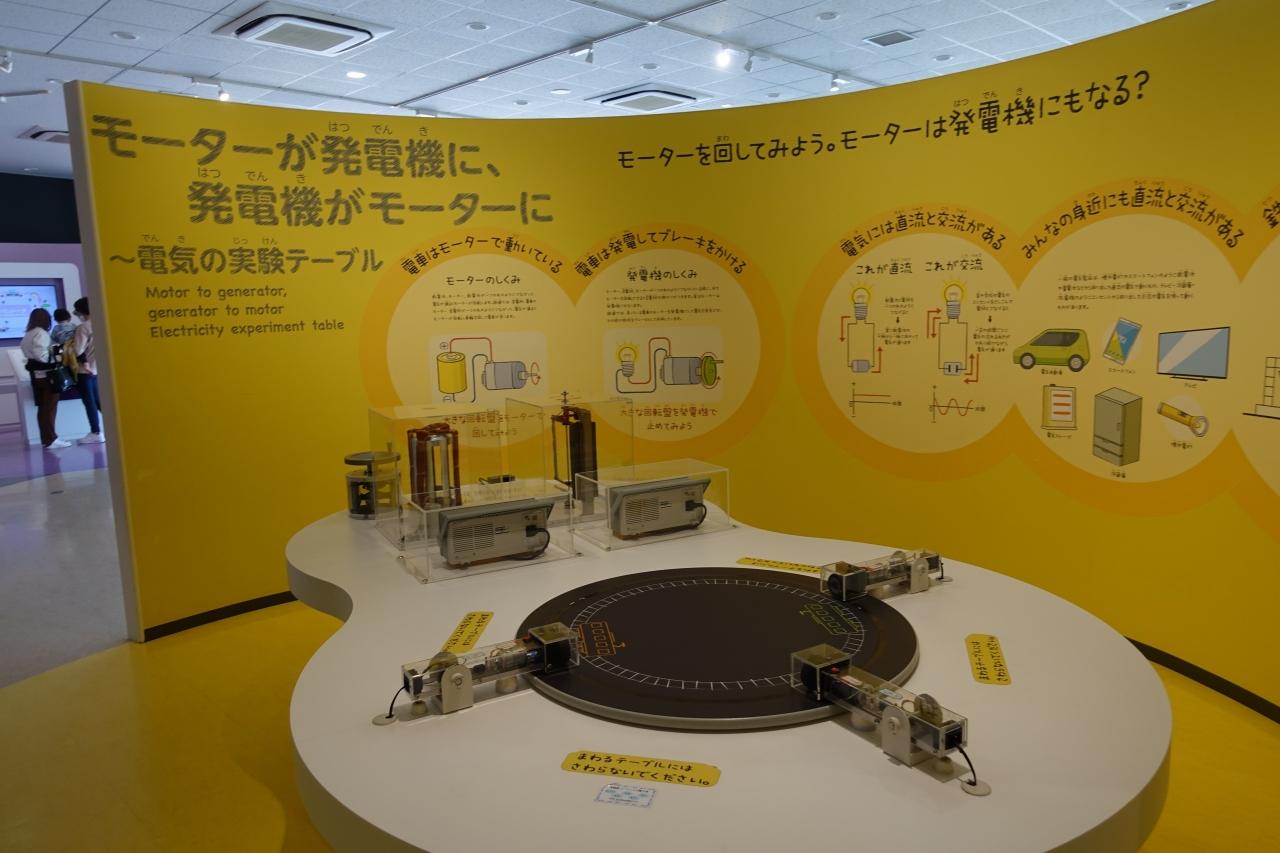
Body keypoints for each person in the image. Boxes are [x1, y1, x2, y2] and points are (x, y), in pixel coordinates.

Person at [19, 307, 70, 449]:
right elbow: (40, 354)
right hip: (47, 375)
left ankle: (46, 438)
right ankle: (51, 439)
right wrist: (54, 361)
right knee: (50, 407)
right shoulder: (41, 333)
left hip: (36, 375)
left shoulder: (28, 334)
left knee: (43, 407)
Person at [72, 297, 105, 444]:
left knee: (89, 402)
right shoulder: (102, 323)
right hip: (97, 369)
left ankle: (95, 431)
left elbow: (78, 350)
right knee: (98, 401)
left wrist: (84, 362)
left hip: (84, 371)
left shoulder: (84, 327)